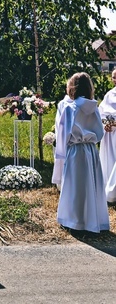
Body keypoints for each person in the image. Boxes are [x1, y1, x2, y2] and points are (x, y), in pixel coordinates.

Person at [55, 72, 109, 233]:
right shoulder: (94, 107)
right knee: (90, 185)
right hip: (91, 150)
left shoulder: (70, 108)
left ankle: (74, 220)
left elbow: (63, 133)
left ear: (72, 88)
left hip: (75, 150)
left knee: (75, 186)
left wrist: (61, 153)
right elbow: (99, 132)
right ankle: (93, 220)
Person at [99, 68, 116, 203]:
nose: (115, 80)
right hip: (108, 133)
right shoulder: (109, 94)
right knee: (108, 159)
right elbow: (101, 112)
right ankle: (106, 186)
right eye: (113, 77)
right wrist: (105, 123)